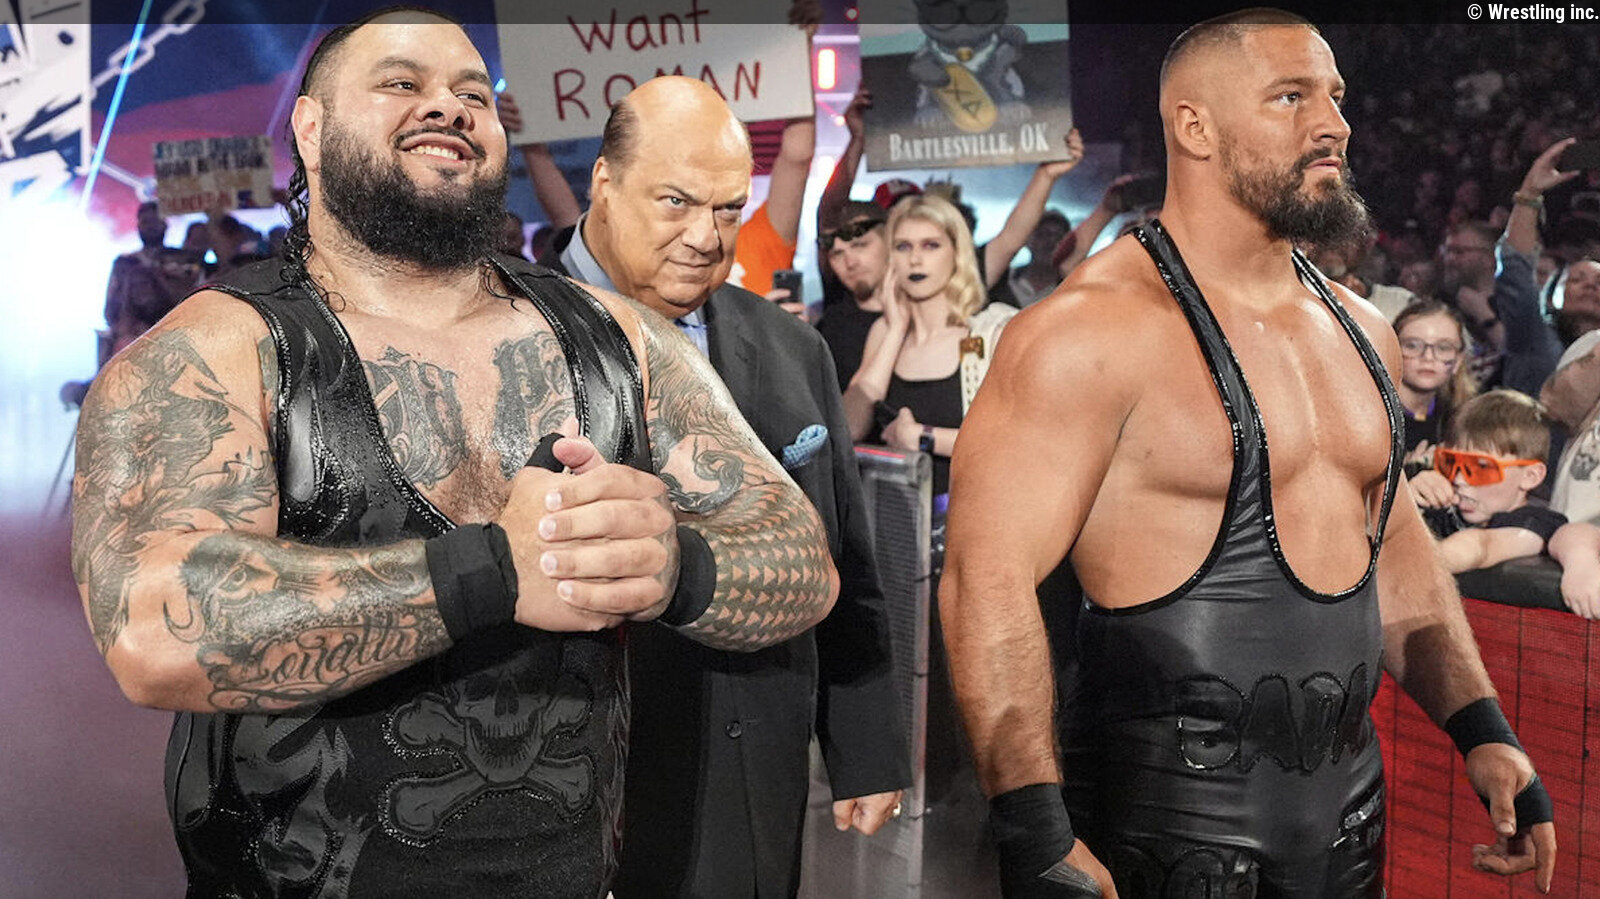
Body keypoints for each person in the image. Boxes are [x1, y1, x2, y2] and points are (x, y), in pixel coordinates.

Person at [69, 10, 837, 897]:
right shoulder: (215, 349)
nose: (448, 106)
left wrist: (672, 567)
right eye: (403, 83)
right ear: (310, 128)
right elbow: (149, 627)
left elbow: (802, 559)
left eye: (474, 93)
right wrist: (491, 572)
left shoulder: (620, 338)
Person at [938, 11, 1556, 898]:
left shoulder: (1365, 330)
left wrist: (1482, 726)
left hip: (1348, 831)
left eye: (1336, 96)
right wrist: (1033, 827)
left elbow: (1392, 544)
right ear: (1194, 126)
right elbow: (985, 577)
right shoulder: (1088, 334)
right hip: (1153, 839)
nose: (1333, 124)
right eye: (1290, 97)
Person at [527, 75, 909, 898]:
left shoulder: (791, 348)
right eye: (676, 202)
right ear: (604, 181)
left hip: (758, 755)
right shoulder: (505, 339)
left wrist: (865, 747)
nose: (706, 236)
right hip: (575, 771)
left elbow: (847, 556)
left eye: (729, 209)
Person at [1408, 390, 1568, 572]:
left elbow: (1480, 547)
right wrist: (1405, 501)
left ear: (1530, 476)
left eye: (1481, 467)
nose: (1459, 479)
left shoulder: (1540, 523)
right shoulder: (1444, 513)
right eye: (1450, 462)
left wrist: (1412, 571)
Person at [1391, 299, 1478, 475]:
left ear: (1458, 361)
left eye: (1443, 348)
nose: (1428, 357)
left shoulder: (1463, 418)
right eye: (1412, 345)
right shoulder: (1368, 414)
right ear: (1391, 350)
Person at [814, 199, 890, 390]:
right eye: (837, 254)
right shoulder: (829, 331)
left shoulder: (925, 315)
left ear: (890, 241)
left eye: (860, 245)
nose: (850, 262)